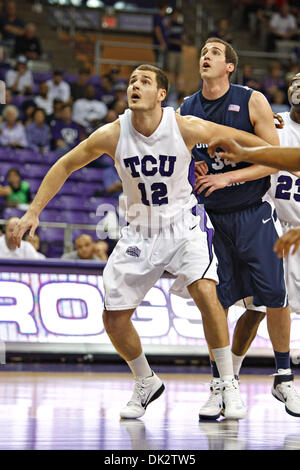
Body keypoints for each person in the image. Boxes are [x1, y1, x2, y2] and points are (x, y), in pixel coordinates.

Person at [12, 64, 271, 421]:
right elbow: (65, 165)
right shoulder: (112, 133)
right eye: (133, 81)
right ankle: (145, 381)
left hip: (182, 224)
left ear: (161, 94)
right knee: (114, 318)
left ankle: (226, 382)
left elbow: (243, 139)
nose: (136, 86)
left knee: (206, 292)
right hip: (139, 230)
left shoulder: (182, 126)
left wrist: (275, 143)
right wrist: (33, 211)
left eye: (145, 82)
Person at [180, 37, 300, 419]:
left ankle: (284, 377)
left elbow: (272, 161)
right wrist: (194, 168)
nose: (206, 56)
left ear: (230, 66)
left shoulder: (253, 101)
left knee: (274, 296)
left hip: (253, 211)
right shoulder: (187, 107)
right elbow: (183, 156)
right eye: (203, 52)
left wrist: (226, 180)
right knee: (219, 303)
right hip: (212, 219)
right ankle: (221, 384)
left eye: (215, 53)